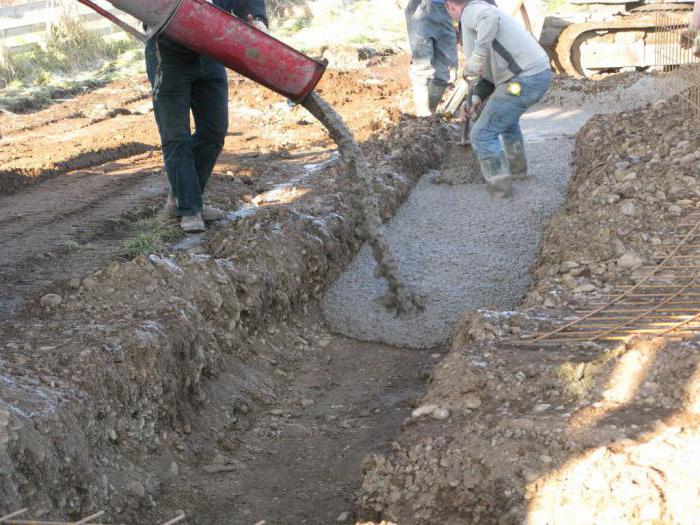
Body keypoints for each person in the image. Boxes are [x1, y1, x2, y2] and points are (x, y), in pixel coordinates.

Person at [145, 0, 268, 233]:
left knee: (214, 130)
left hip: (211, 47)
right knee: (176, 136)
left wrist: (257, 18)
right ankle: (190, 209)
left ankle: (182, 196)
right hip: (168, 52)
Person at [445, 0, 551, 198]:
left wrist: (477, 56)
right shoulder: (480, 14)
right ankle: (518, 175)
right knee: (507, 123)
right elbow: (490, 77)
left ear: (449, 5)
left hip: (522, 81)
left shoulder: (471, 11)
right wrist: (475, 98)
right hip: (533, 75)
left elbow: (489, 18)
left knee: (481, 134)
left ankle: (501, 191)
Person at [402, 0, 458, 117]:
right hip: (420, 7)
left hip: (449, 7)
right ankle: (423, 116)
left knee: (445, 72)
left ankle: (430, 116)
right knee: (422, 67)